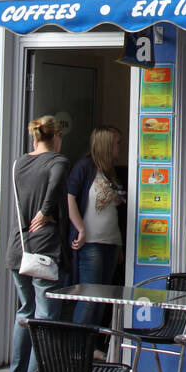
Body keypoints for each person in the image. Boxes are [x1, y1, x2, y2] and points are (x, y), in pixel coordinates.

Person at [6, 115, 71, 372]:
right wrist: (46, 211)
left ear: (35, 136)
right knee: (45, 314)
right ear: (56, 137)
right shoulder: (58, 161)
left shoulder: (19, 162)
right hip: (43, 249)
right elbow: (56, 184)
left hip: (18, 247)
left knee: (25, 310)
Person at [67, 126, 126, 325]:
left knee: (101, 300)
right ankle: (77, 349)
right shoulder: (84, 167)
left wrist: (119, 245)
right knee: (89, 298)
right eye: (117, 143)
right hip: (91, 243)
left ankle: (91, 346)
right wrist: (81, 229)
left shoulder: (110, 172)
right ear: (106, 145)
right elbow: (70, 198)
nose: (121, 147)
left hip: (111, 243)